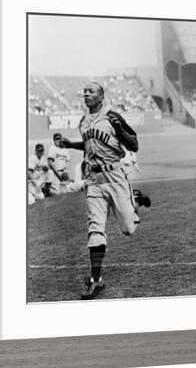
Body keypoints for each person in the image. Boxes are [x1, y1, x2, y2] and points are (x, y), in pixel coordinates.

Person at [60, 81, 151, 300]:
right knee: (95, 229)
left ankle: (134, 200)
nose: (86, 94)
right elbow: (90, 143)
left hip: (115, 177)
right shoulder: (83, 121)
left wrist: (120, 130)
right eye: (84, 91)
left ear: (101, 97)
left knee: (128, 228)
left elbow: (134, 145)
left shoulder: (112, 116)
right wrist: (72, 145)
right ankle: (96, 279)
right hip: (94, 180)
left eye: (91, 91)